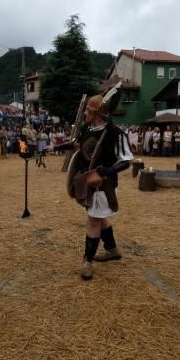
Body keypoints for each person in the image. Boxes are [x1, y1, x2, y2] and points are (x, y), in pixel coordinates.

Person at [59, 92, 133, 280]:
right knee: (100, 218)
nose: (85, 113)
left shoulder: (114, 134)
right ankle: (112, 249)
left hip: (103, 184)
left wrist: (105, 172)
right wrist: (54, 148)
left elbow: (126, 160)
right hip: (86, 181)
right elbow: (76, 146)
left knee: (94, 220)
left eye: (89, 110)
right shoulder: (87, 129)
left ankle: (87, 262)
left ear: (98, 113)